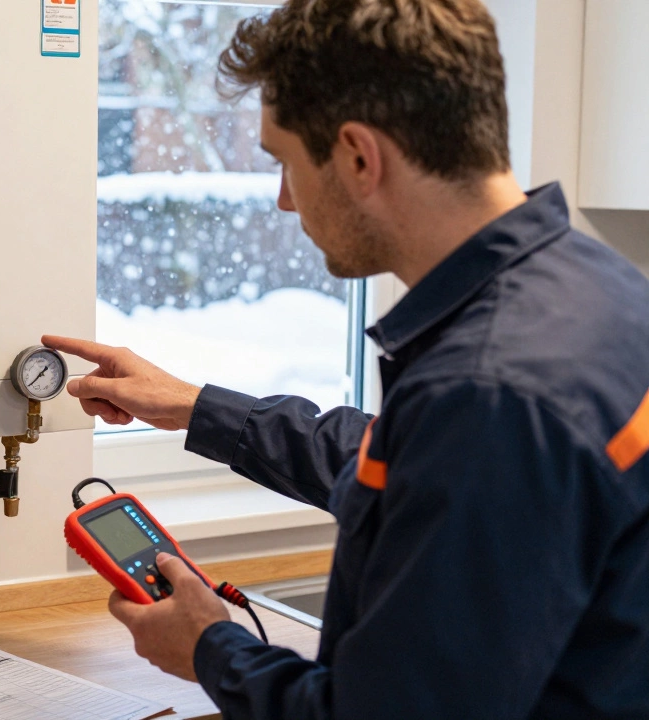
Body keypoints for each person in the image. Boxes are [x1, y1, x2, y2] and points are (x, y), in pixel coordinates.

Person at [45, 0, 649, 717]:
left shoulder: (488, 390)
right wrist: (196, 407)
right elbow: (413, 467)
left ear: (360, 157)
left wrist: (211, 648)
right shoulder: (598, 288)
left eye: (285, 162)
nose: (282, 200)